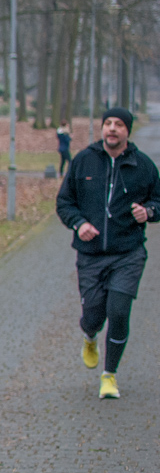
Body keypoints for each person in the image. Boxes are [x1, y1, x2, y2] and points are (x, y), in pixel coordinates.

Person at [56, 106, 160, 399]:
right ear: (102, 128)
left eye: (119, 125)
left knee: (119, 311)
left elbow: (158, 201)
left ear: (127, 131)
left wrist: (149, 212)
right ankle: (90, 337)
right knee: (93, 315)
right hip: (90, 255)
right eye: (108, 123)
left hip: (128, 254)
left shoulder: (143, 166)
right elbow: (64, 203)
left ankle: (109, 375)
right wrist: (79, 224)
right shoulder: (83, 161)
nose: (112, 128)